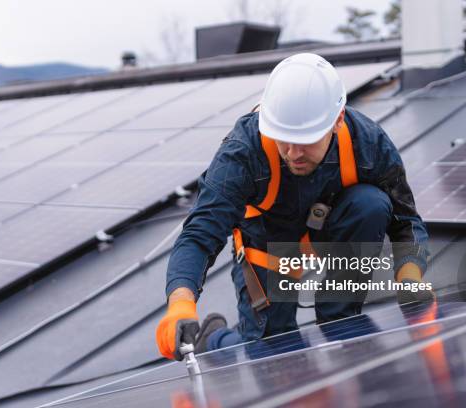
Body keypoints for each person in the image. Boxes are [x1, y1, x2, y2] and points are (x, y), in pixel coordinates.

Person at [155, 53, 433, 361]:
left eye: (306, 140)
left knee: (370, 204)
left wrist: (410, 277)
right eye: (284, 138)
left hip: (330, 234)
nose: (293, 152)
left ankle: (338, 317)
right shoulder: (244, 152)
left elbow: (405, 221)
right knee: (273, 354)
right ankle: (217, 339)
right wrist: (180, 302)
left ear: (338, 119)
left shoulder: (367, 144)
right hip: (268, 247)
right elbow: (200, 232)